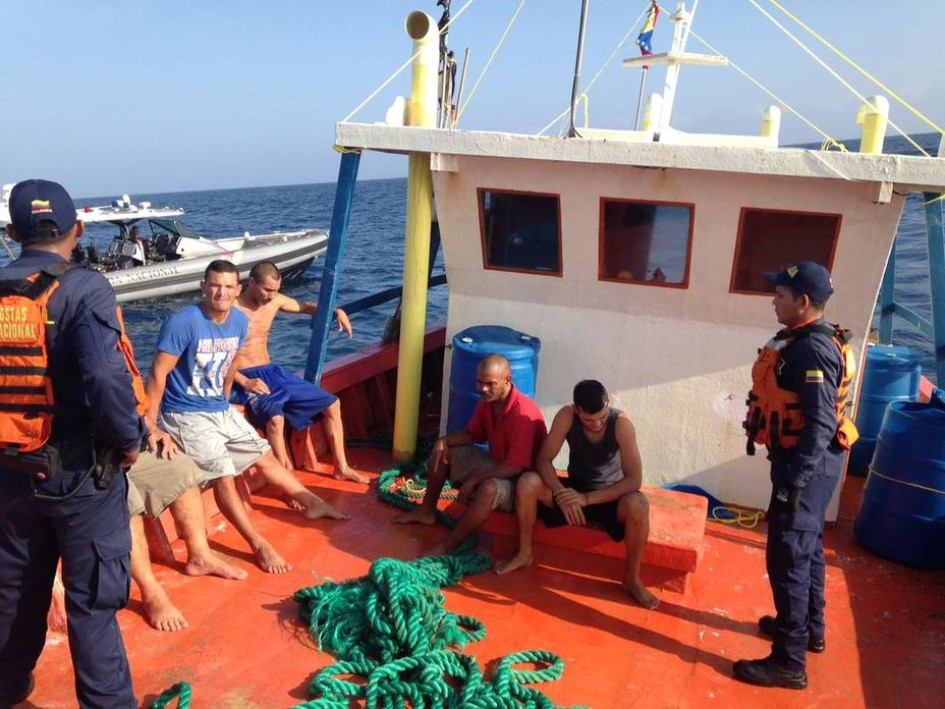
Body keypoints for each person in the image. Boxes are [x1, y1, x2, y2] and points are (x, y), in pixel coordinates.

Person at [0, 179, 146, 707]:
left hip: (11, 476)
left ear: (12, 232)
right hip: (83, 477)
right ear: (77, 230)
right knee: (92, 604)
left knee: (13, 595)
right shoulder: (85, 288)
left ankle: (8, 687)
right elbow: (107, 383)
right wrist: (129, 441)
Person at [146, 260, 348, 575]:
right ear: (203, 286)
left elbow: (230, 366)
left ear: (237, 289)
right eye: (214, 285)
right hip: (185, 413)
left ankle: (313, 503)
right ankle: (259, 545)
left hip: (218, 408)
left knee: (264, 456)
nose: (221, 292)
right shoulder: (183, 322)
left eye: (228, 286)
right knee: (224, 475)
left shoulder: (238, 323)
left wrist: (225, 403)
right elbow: (158, 375)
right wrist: (152, 424)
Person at [734, 262, 858, 690]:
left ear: (803, 302)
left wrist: (793, 482)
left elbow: (821, 424)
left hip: (807, 467)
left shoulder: (811, 351)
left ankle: (788, 661)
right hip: (809, 465)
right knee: (806, 549)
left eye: (781, 295)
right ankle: (811, 632)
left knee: (788, 557)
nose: (774, 300)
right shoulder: (802, 340)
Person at [495, 380, 659, 610]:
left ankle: (631, 578)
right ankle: (524, 553)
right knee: (527, 482)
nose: (597, 424)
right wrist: (562, 493)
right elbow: (543, 460)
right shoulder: (567, 416)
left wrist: (587, 499)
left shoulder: (622, 424)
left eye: (602, 417)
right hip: (574, 489)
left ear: (608, 403)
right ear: (576, 409)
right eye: (588, 420)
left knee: (639, 504)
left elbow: (634, 480)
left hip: (609, 495)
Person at [393, 354, 547, 555]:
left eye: (490, 384)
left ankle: (448, 546)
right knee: (442, 453)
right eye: (479, 382)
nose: (482, 389)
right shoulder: (488, 400)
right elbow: (474, 434)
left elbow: (516, 466)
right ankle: (426, 511)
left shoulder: (522, 414)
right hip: (498, 463)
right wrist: (443, 442)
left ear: (507, 380)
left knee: (488, 488)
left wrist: (475, 479)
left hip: (521, 482)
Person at [232, 261, 365, 482]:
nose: (272, 296)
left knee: (332, 404)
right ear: (252, 282)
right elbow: (215, 358)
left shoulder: (274, 301)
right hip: (244, 377)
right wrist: (244, 382)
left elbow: (305, 307)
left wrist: (335, 311)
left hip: (272, 371)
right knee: (275, 419)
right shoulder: (231, 308)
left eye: (276, 290)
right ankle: (287, 480)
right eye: (267, 290)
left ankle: (341, 467)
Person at [127, 439, 248, 632]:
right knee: (123, 500)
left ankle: (200, 556)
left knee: (180, 467)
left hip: (123, 446)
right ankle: (151, 594)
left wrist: (150, 424)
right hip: (87, 460)